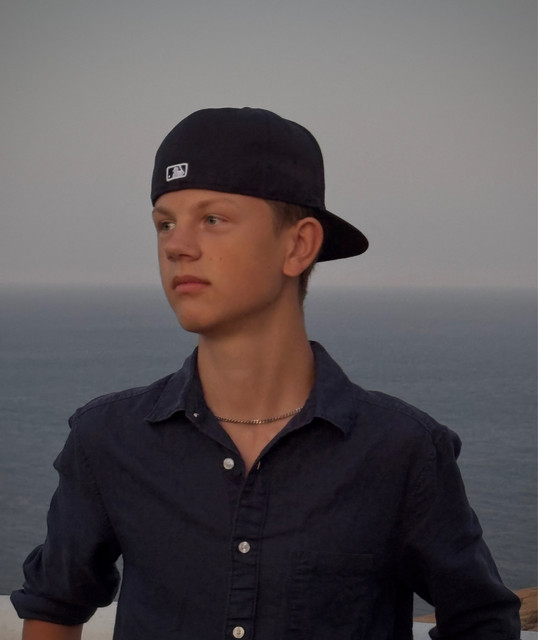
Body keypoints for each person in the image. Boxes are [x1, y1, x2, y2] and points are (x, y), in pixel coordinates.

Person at [12, 107, 521, 640]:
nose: (176, 245)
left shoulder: (401, 451)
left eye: (213, 219)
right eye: (165, 223)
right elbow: (54, 604)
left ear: (298, 245)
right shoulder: (107, 440)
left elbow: (481, 622)